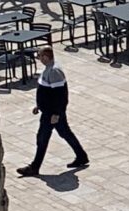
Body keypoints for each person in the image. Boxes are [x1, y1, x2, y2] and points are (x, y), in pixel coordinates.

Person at [17, 45, 87, 175]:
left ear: (46, 57)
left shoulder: (54, 71)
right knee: (65, 133)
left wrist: (56, 114)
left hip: (51, 113)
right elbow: (46, 91)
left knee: (42, 138)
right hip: (48, 111)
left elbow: (60, 95)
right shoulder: (48, 69)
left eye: (39, 56)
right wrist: (39, 105)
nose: (38, 59)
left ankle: (34, 167)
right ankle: (81, 156)